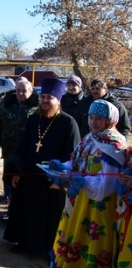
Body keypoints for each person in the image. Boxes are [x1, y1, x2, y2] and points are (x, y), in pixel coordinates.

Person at [3, 77, 81, 257]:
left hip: (51, 180)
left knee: (48, 217)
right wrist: (17, 172)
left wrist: (61, 181)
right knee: (26, 210)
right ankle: (24, 242)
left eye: (49, 98)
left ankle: (48, 249)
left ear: (58, 100)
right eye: (43, 97)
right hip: (29, 175)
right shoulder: (33, 119)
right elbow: (23, 146)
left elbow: (72, 155)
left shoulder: (68, 123)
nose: (45, 101)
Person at [49, 100, 126, 267]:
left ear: (110, 121)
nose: (93, 122)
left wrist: (81, 180)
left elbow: (107, 186)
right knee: (74, 236)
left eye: (99, 119)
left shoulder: (114, 145)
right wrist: (62, 167)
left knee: (92, 243)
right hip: (80, 200)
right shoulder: (90, 138)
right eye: (91, 117)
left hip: (99, 207)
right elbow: (78, 163)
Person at [0, 79, 38, 203]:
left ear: (31, 91)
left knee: (25, 173)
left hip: (28, 148)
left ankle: (23, 196)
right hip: (9, 146)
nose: (21, 93)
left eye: (24, 91)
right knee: (8, 172)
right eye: (18, 90)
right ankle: (8, 194)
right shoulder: (7, 103)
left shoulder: (36, 105)